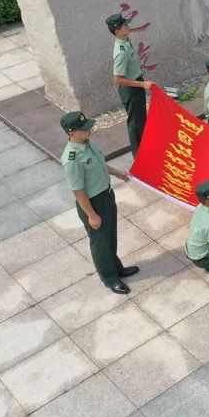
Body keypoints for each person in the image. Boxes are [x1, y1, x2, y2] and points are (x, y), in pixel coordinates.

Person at [60, 112, 138, 294]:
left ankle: (117, 267)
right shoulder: (71, 159)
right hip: (92, 203)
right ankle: (109, 278)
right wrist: (91, 215)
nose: (89, 129)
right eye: (84, 128)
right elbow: (77, 190)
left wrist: (118, 173)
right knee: (100, 243)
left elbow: (101, 165)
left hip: (106, 195)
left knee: (111, 237)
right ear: (71, 132)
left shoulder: (89, 143)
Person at [107, 14, 154, 157]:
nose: (128, 27)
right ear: (117, 31)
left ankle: (145, 148)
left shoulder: (126, 41)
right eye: (125, 25)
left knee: (141, 118)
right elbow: (118, 79)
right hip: (130, 89)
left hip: (136, 84)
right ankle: (139, 155)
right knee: (136, 122)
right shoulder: (121, 52)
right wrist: (142, 84)